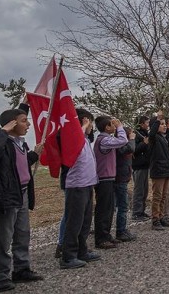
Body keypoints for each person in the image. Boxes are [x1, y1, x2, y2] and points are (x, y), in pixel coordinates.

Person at [0, 106, 44, 292]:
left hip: (23, 193)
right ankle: (0, 276)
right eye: (23, 120)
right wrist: (1, 131)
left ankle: (21, 269)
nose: (28, 124)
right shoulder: (1, 142)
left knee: (22, 233)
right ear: (11, 124)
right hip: (7, 196)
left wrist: (34, 154)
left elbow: (19, 165)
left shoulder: (20, 143)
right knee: (3, 237)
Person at [59, 108, 101, 269]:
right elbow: (73, 143)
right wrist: (82, 126)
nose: (91, 127)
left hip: (87, 184)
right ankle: (68, 256)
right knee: (74, 221)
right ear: (84, 121)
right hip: (76, 185)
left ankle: (81, 251)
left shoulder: (84, 139)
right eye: (90, 122)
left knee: (85, 221)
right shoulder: (73, 139)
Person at [93, 116, 128, 249]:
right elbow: (123, 141)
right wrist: (120, 127)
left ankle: (106, 235)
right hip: (103, 178)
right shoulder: (104, 140)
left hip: (108, 178)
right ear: (107, 127)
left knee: (109, 208)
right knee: (103, 209)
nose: (115, 126)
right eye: (112, 124)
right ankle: (101, 238)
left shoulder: (105, 139)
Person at [148, 111, 169, 230]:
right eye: (161, 124)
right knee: (157, 196)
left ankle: (161, 216)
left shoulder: (164, 138)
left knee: (164, 196)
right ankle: (155, 219)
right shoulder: (153, 138)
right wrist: (158, 119)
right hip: (158, 170)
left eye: (164, 124)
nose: (164, 126)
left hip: (167, 170)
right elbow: (152, 133)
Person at [114, 127, 137, 242]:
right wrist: (131, 140)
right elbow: (130, 149)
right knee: (122, 206)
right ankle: (120, 231)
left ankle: (122, 229)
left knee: (121, 206)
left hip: (123, 178)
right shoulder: (120, 145)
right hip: (119, 178)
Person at [131, 116, 150, 221]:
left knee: (145, 190)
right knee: (139, 190)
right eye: (147, 122)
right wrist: (144, 143)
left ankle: (142, 210)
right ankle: (136, 213)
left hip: (145, 166)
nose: (148, 125)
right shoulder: (136, 135)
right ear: (142, 124)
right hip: (138, 166)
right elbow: (134, 150)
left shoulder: (145, 134)